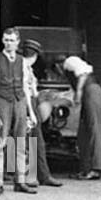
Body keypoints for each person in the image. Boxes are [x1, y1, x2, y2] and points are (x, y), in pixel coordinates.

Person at [0, 27, 37, 195]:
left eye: (12, 40)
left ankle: (20, 181)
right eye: (6, 40)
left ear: (17, 42)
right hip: (3, 101)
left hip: (20, 101)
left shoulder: (22, 61)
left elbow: (25, 87)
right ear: (2, 40)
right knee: (0, 143)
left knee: (21, 143)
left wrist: (31, 112)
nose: (9, 43)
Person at [20, 38, 62, 187]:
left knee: (33, 141)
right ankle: (34, 176)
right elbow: (26, 91)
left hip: (29, 104)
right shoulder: (23, 68)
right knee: (31, 141)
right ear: (35, 56)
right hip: (27, 105)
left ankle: (40, 175)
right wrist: (31, 112)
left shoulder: (25, 68)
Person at [63, 55, 101, 180]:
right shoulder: (70, 75)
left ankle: (95, 168)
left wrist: (79, 91)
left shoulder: (69, 61)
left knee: (93, 130)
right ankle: (85, 168)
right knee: (83, 133)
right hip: (89, 94)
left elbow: (83, 73)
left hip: (91, 92)